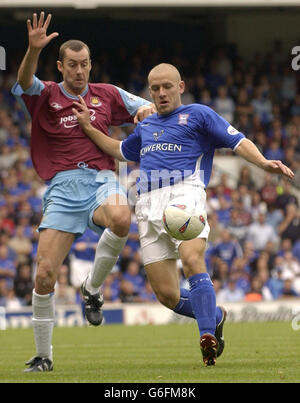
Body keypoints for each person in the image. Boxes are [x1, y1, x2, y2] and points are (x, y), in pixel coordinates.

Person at [73, 63, 294, 366]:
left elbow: (237, 140)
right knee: (167, 295)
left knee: (192, 260)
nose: (161, 93)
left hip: (184, 194)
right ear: (149, 91)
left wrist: (263, 162)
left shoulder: (199, 115)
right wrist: (87, 127)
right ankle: (215, 316)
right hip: (147, 204)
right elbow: (121, 150)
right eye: (155, 88)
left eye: (167, 87)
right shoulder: (146, 126)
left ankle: (206, 338)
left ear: (180, 86)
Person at [11, 12, 154, 373]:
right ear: (60, 66)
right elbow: (24, 80)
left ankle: (92, 287)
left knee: (123, 217)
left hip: (100, 179)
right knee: (44, 275)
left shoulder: (107, 95)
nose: (79, 71)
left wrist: (145, 112)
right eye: (72, 65)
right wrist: (32, 50)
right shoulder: (46, 94)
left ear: (91, 66)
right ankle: (44, 356)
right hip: (61, 188)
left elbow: (145, 105)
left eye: (85, 65)